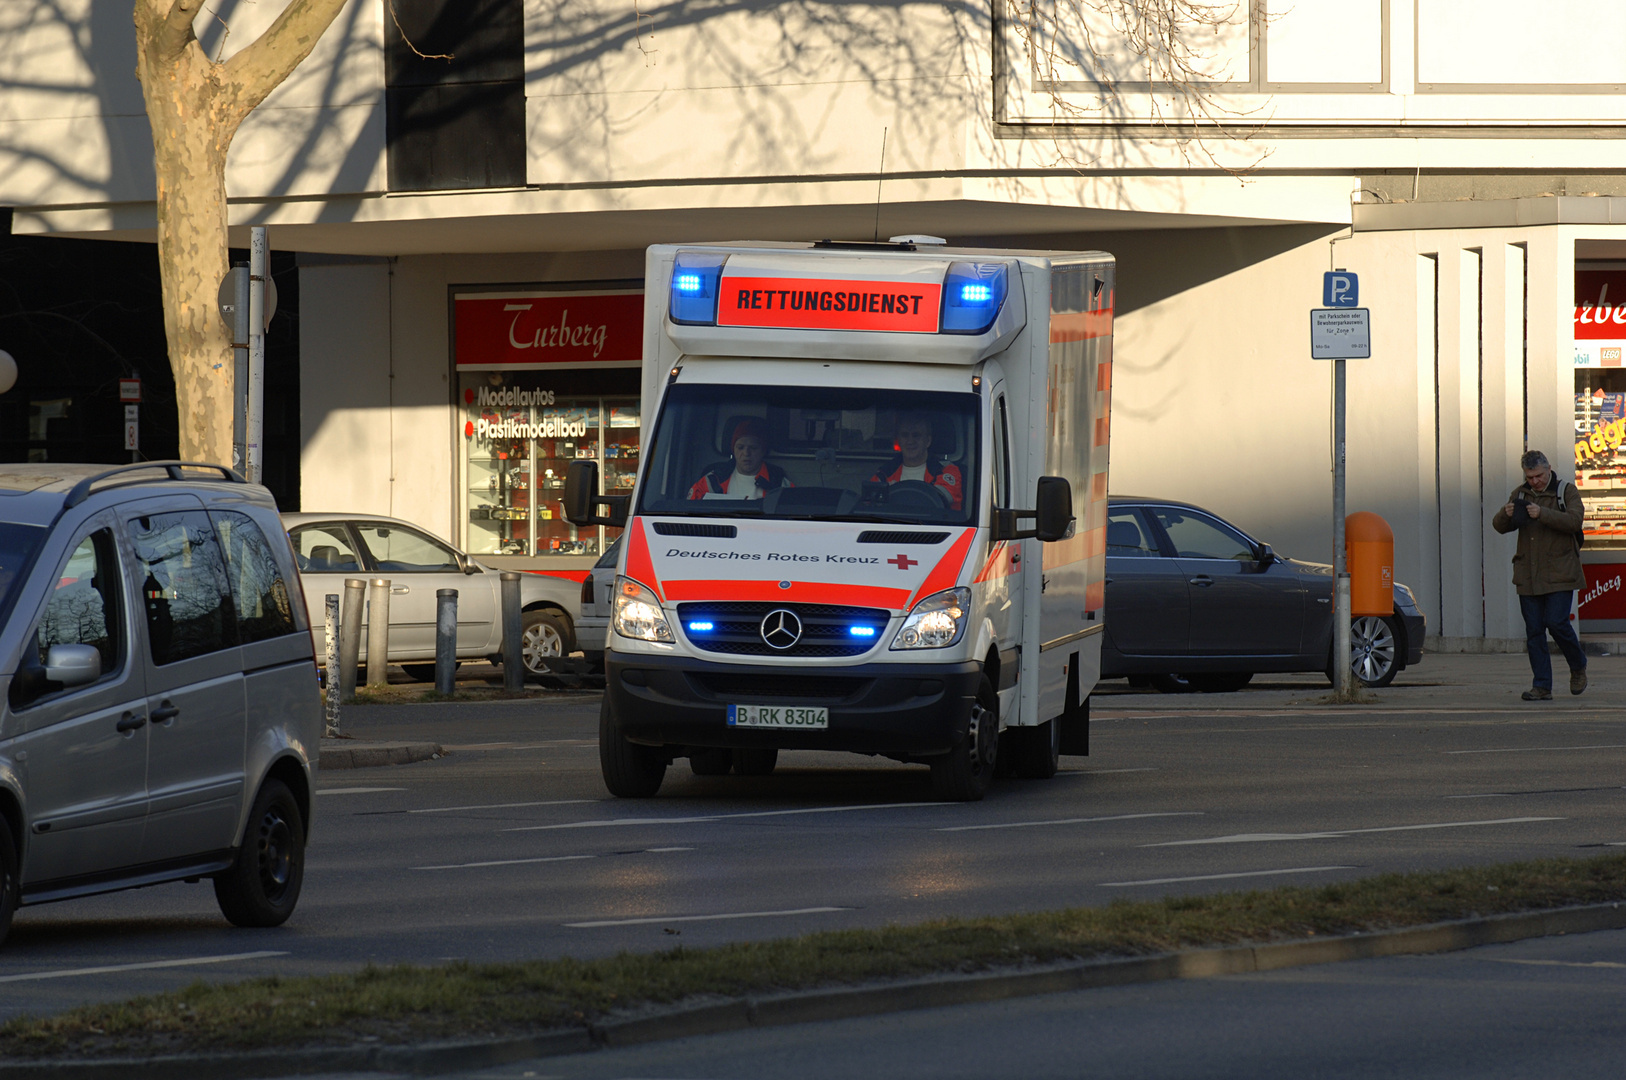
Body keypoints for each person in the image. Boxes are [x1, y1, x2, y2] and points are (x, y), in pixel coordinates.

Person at [1491, 450, 1587, 700]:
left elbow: (1575, 522)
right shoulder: (1520, 493)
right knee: (1534, 631)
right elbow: (1499, 526)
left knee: (1557, 623)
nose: (1535, 481)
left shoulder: (1566, 491)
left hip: (1560, 572)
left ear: (1549, 468)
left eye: (1539, 475)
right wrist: (1506, 513)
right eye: (1530, 476)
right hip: (1528, 574)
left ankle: (1578, 665)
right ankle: (1542, 685)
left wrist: (1542, 514)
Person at [870, 411, 962, 510]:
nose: (910, 441)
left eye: (916, 435)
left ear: (928, 441)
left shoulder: (947, 470)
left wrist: (888, 493)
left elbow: (939, 500)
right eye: (905, 435)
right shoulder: (884, 473)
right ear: (898, 441)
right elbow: (870, 504)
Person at [687, 417, 792, 499]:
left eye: (753, 448)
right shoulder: (714, 479)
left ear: (763, 451)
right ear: (733, 449)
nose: (746, 453)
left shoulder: (778, 481)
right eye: (740, 447)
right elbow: (691, 511)